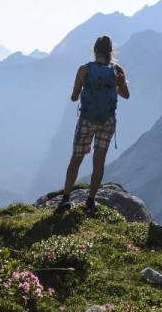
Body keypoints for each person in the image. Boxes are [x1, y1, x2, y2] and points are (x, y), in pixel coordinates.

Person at [56, 35, 130, 213]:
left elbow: (74, 97)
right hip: (107, 121)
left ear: (94, 50)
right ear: (111, 51)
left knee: (76, 159)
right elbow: (125, 95)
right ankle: (90, 200)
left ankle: (66, 198)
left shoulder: (84, 69)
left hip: (86, 120)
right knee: (99, 161)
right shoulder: (117, 70)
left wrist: (83, 89)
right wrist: (115, 85)